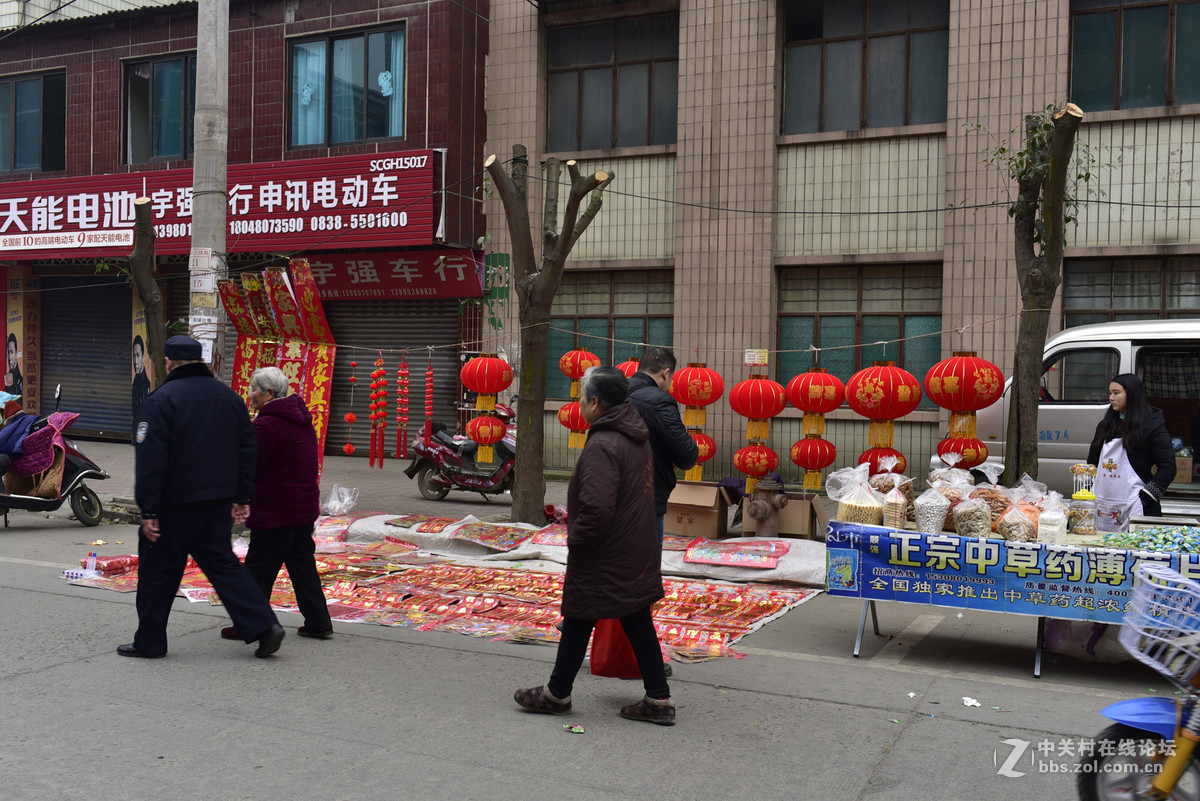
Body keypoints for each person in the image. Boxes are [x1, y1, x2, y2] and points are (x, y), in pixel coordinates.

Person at [514, 366, 675, 726]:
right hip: (631, 546)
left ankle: (558, 694)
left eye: (582, 398)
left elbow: (597, 508)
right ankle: (657, 699)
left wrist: (578, 542)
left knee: (581, 615)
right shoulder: (633, 433)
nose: (580, 404)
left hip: (606, 550)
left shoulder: (605, 443)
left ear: (596, 403)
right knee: (626, 618)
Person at [119, 335, 285, 659]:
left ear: (169, 363)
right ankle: (265, 626)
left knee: (158, 572)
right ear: (201, 361)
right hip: (216, 502)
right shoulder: (230, 398)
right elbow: (247, 449)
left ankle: (150, 642)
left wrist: (149, 510)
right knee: (224, 567)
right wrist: (242, 496)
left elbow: (151, 460)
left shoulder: (161, 400)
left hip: (173, 505)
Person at [220, 366, 333, 642]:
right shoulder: (300, 419)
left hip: (277, 510)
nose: (250, 395)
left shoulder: (268, 425)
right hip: (302, 507)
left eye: (254, 390)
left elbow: (251, 466)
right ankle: (319, 622)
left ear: (269, 393)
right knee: (302, 567)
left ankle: (248, 625)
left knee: (258, 569)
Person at [1087, 373, 1176, 531]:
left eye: (1116, 393)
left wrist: (1146, 497)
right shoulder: (1105, 426)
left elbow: (1168, 468)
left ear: (1132, 394)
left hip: (1136, 505)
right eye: (1110, 393)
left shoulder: (1152, 426)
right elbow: (1092, 463)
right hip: (1102, 504)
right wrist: (1088, 490)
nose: (1111, 398)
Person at [625, 346, 698, 539]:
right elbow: (687, 454)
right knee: (645, 556)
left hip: (610, 489)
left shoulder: (614, 392)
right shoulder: (660, 400)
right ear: (666, 374)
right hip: (646, 494)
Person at [131, 335, 152, 439]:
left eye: (138, 356)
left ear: (143, 357)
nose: (135, 361)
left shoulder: (146, 384)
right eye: (134, 356)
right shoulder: (136, 381)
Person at [5, 333, 22, 400]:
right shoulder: (8, 376)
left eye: (12, 352)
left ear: (16, 354)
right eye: (8, 352)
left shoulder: (20, 380)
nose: (9, 357)